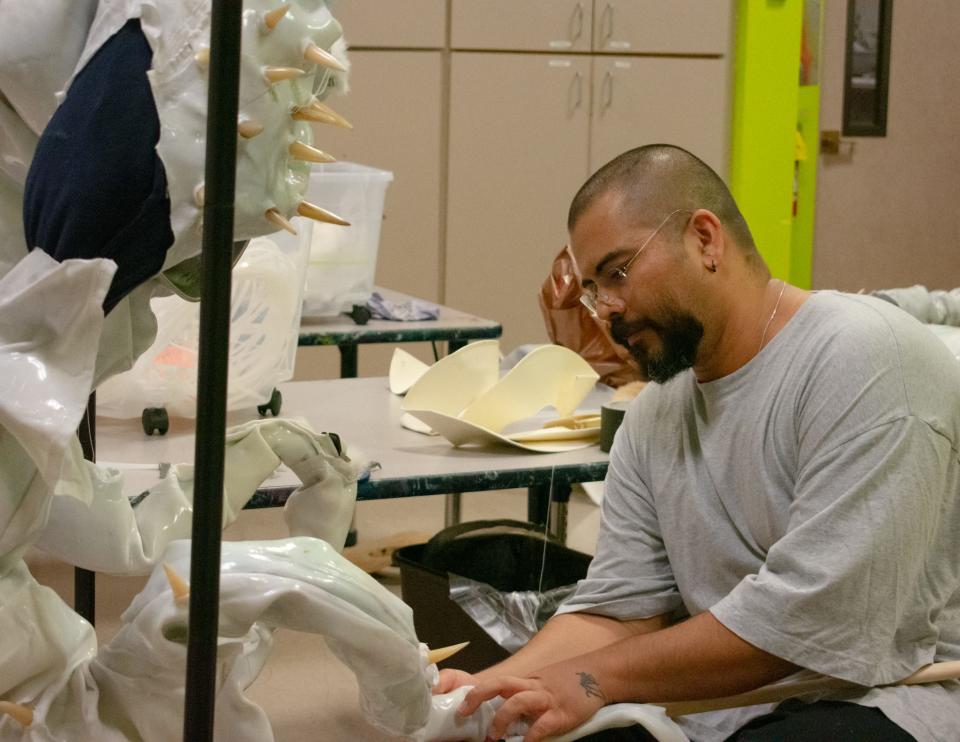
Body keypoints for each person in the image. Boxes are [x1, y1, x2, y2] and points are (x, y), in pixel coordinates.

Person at [434, 144, 960, 741]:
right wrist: (485, 693)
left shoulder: (867, 359)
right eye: (591, 288)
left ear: (705, 240)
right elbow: (620, 608)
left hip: (890, 696)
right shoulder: (655, 415)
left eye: (618, 272)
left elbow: (810, 619)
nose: (605, 309)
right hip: (724, 699)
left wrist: (589, 681)